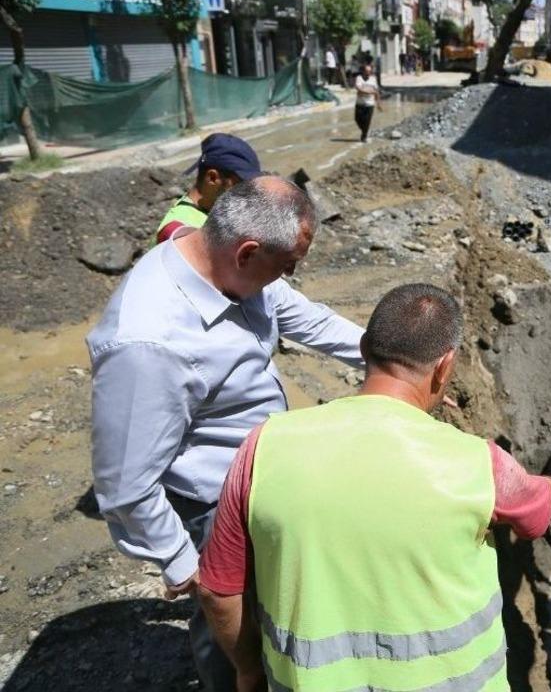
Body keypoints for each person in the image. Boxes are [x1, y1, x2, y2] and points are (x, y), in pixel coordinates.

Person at [198, 283, 551, 692]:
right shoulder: (478, 464)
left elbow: (218, 591)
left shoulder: (263, 447)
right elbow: (540, 501)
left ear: (365, 348)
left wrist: (248, 669)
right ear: (445, 366)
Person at [88, 176, 366, 692]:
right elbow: (125, 483)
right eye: (286, 266)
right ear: (246, 252)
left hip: (255, 478)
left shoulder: (226, 265)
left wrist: (388, 353)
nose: (289, 277)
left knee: (262, 606)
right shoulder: (149, 342)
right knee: (227, 632)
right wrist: (183, 564)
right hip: (209, 506)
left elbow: (307, 319)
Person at [152, 133, 262, 246]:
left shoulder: (213, 211)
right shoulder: (178, 231)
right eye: (239, 185)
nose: (245, 193)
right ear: (212, 178)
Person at [354, 63, 383, 142]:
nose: (368, 73)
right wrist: (370, 91)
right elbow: (359, 89)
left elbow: (376, 92)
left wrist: (379, 103)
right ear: (363, 71)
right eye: (367, 71)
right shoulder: (359, 78)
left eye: (370, 71)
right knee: (357, 119)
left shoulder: (373, 79)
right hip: (359, 103)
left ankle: (364, 136)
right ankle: (364, 132)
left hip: (369, 104)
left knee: (367, 121)